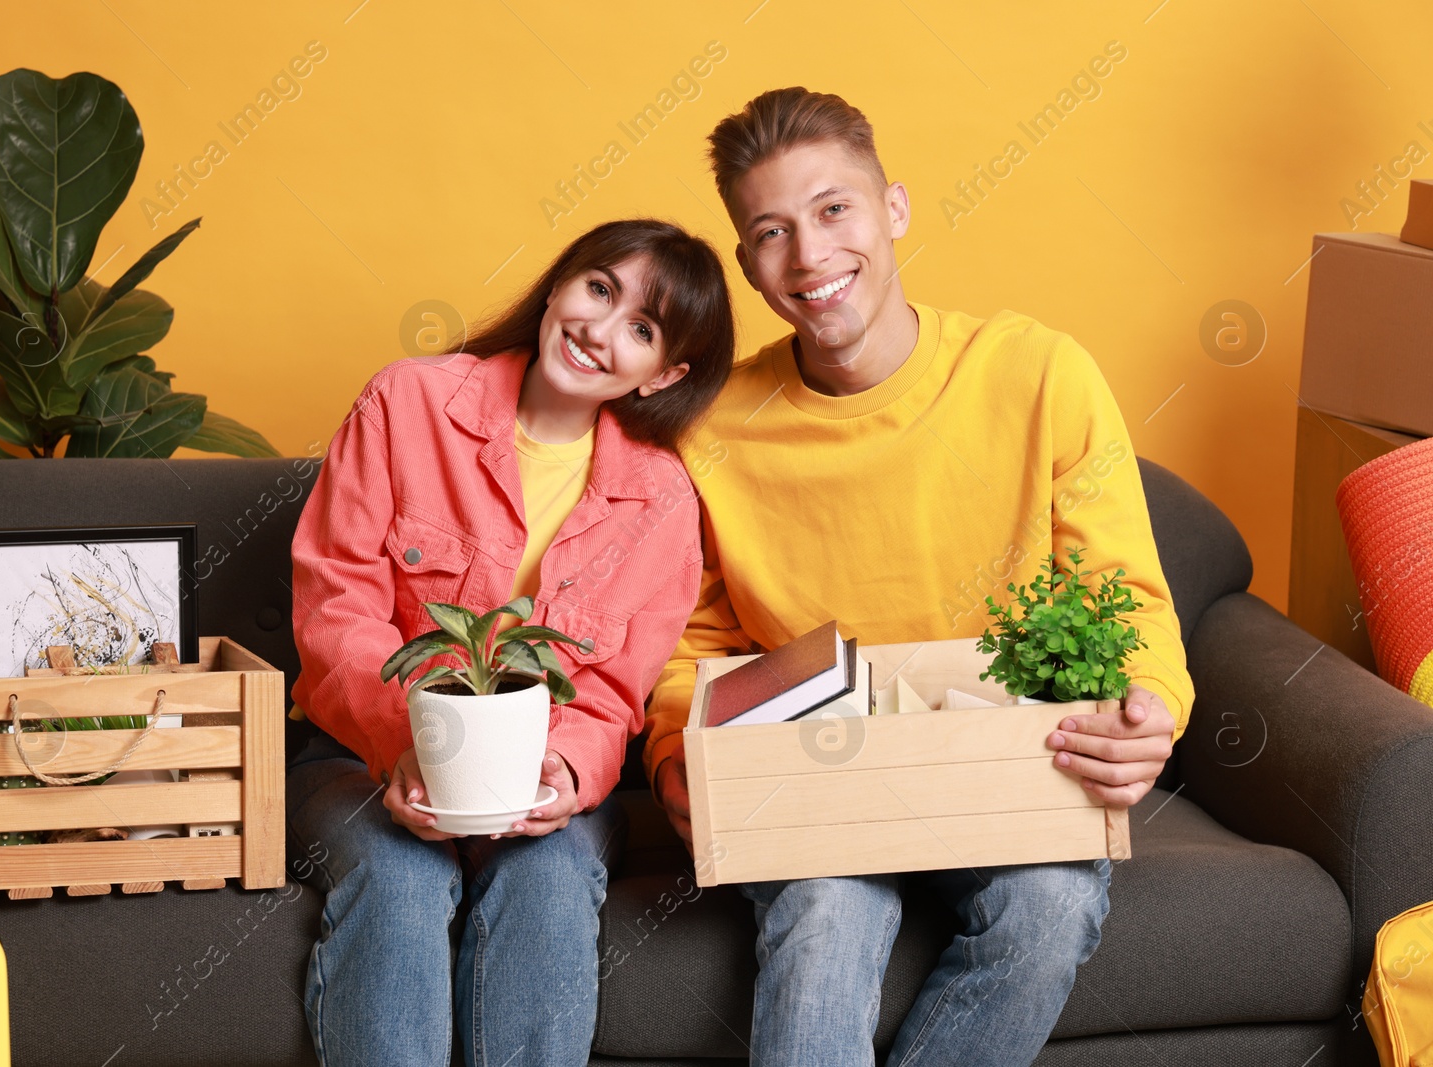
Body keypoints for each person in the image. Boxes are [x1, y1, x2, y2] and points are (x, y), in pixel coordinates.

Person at [643, 88, 1195, 1066]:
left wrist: (1147, 704)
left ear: (892, 209)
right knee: (820, 919)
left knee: (1052, 903)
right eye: (770, 232)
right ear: (745, 265)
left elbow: (1127, 597)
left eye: (833, 210)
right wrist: (677, 751)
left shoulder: (1037, 373)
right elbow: (692, 641)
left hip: (1008, 761)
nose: (809, 256)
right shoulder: (712, 425)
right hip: (812, 771)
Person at [286, 218, 736, 1066]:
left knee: (553, 880)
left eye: (641, 328)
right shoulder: (406, 403)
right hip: (357, 752)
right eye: (598, 290)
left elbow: (611, 690)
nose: (600, 331)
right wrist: (411, 751)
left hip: (536, 779)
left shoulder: (663, 501)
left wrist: (563, 773)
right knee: (402, 876)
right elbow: (335, 607)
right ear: (559, 284)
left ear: (665, 373)